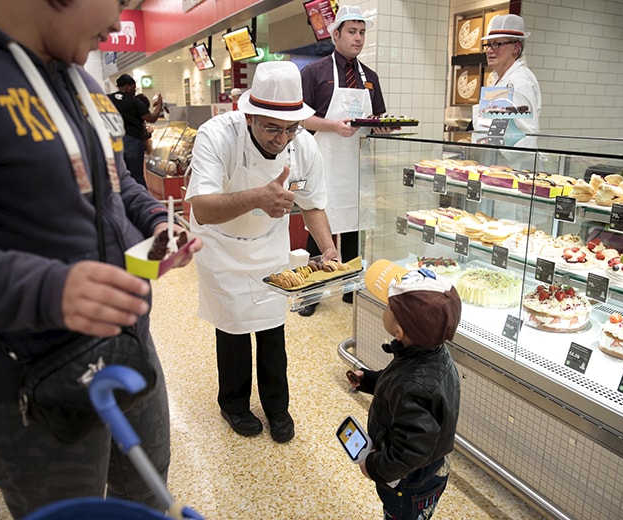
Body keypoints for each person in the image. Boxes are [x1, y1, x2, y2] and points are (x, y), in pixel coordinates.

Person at [0, 0, 202, 517]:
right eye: (119, 1)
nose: (119, 22)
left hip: (124, 343)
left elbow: (115, 179)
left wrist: (155, 222)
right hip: (20, 381)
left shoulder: (81, 79)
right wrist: (47, 289)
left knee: (144, 492)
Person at [186, 61, 340, 443]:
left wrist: (329, 249)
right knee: (234, 325)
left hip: (268, 241)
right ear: (249, 114)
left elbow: (313, 203)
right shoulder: (217, 136)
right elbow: (202, 207)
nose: (281, 138)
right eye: (272, 127)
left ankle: (277, 407)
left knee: (272, 327)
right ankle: (234, 403)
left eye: (290, 128)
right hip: (221, 243)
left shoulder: (300, 143)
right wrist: (259, 196)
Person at [299, 4, 394, 316]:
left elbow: (376, 117)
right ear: (335, 34)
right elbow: (302, 119)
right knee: (319, 225)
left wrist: (382, 125)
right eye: (352, 32)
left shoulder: (371, 77)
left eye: (362, 32)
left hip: (356, 164)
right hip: (324, 159)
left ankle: (350, 289)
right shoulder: (314, 73)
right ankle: (311, 294)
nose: (358, 38)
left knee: (353, 226)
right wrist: (332, 126)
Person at [347, 263, 462, 520]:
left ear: (399, 330)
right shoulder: (430, 354)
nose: (385, 308)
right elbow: (397, 386)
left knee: (401, 515)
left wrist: (374, 467)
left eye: (389, 306)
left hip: (410, 481)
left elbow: (412, 451)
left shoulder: (414, 382)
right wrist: (369, 381)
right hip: (427, 468)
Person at [473, 14, 541, 135]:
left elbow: (527, 135)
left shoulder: (520, 81)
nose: (489, 50)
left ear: (516, 47)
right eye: (488, 44)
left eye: (497, 44)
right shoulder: (498, 79)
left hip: (507, 154)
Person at [108, 73, 163, 187]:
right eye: (134, 87)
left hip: (113, 141)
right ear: (128, 86)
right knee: (136, 175)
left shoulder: (107, 99)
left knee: (118, 174)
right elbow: (151, 118)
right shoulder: (133, 101)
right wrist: (159, 105)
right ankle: (141, 201)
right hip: (132, 141)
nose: (134, 91)